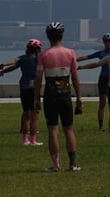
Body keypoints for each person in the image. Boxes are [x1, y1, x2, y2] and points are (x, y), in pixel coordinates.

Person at [34, 21, 83, 172]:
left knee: (52, 130)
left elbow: (38, 78)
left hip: (51, 96)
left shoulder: (43, 55)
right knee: (69, 129)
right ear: (62, 36)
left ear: (48, 37)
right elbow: (75, 77)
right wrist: (79, 97)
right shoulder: (70, 53)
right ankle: (72, 164)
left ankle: (56, 165)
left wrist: (36, 98)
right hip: (66, 95)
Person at [0, 38, 43, 146]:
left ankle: (25, 140)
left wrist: (2, 69)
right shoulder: (39, 59)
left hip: (24, 87)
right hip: (34, 88)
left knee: (26, 114)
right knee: (35, 115)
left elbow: (13, 64)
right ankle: (33, 140)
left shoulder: (23, 59)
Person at [76, 33, 110, 132]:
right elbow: (87, 57)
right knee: (102, 103)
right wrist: (73, 60)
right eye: (106, 42)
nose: (108, 43)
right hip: (103, 79)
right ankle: (101, 125)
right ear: (103, 43)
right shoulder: (101, 53)